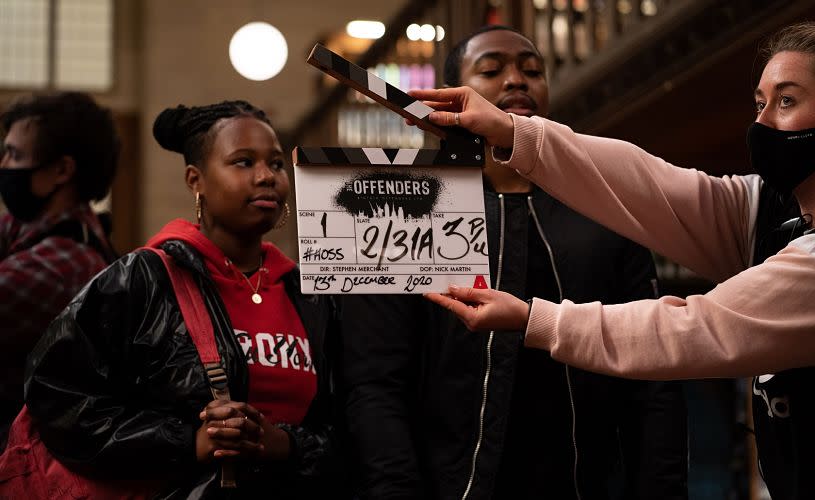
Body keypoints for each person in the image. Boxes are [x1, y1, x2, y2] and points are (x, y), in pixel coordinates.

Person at [416, 21, 815, 500]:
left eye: (787, 101)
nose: (763, 122)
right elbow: (653, 186)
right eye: (760, 103)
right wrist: (513, 133)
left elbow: (692, 329)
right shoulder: (769, 210)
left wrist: (533, 318)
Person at [340, 26, 687, 500]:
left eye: (532, 71)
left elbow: (652, 377)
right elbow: (374, 381)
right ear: (449, 96)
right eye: (490, 70)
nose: (516, 81)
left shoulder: (604, 211)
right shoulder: (402, 212)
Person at [22, 101, 341, 498]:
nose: (266, 177)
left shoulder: (312, 293)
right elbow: (58, 397)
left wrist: (286, 445)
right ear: (196, 180)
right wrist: (188, 441)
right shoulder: (143, 279)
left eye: (276, 164)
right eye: (243, 162)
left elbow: (350, 424)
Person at [0, 91, 118, 443]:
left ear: (62, 170)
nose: (4, 165)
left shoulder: (60, 266)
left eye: (15, 154)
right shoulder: (43, 224)